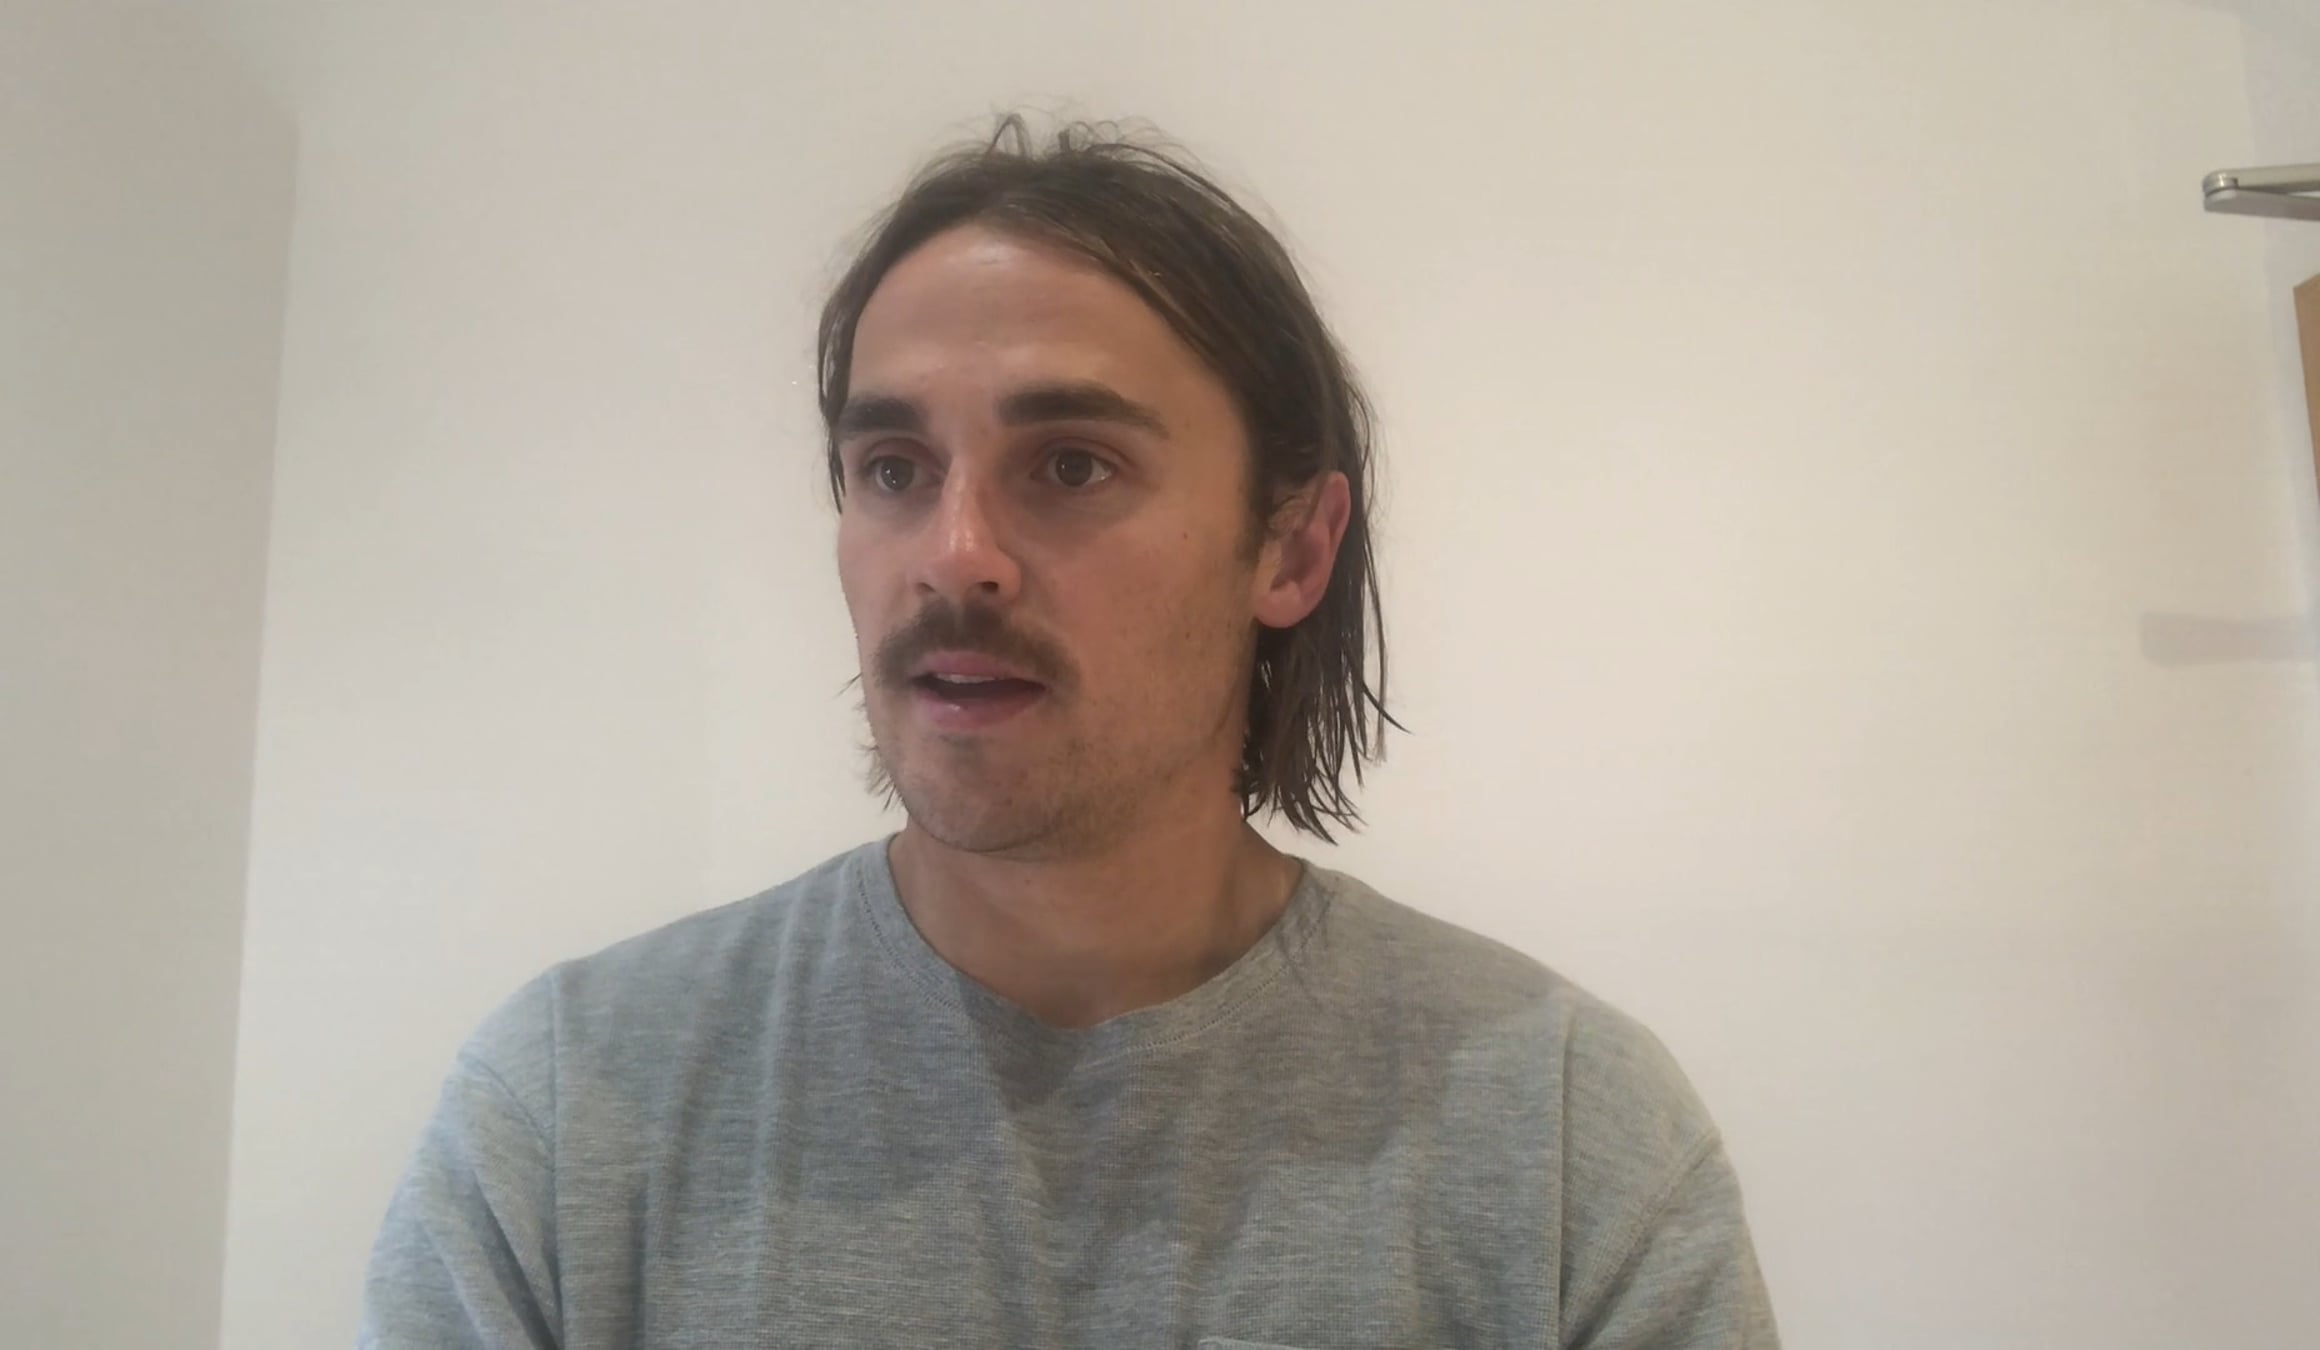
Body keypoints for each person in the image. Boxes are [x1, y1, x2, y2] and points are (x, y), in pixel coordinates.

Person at [360, 115, 1777, 1349]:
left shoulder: (1563, 1138)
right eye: (893, 469)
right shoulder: (571, 1112)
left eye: (1074, 465)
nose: (954, 555)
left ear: (1292, 547)